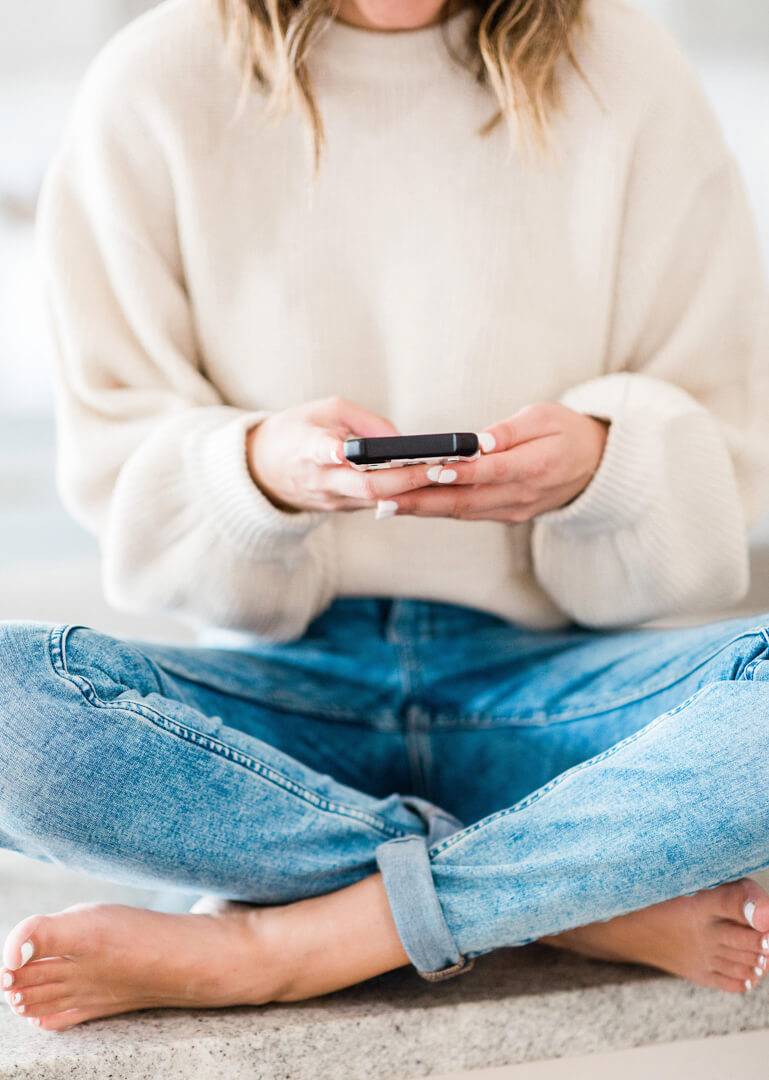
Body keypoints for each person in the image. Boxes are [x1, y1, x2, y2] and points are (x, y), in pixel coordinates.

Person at [2, 0, 769, 1033]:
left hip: (555, 692)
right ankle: (565, 897)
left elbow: (726, 470)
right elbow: (125, 480)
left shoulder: (622, 66)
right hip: (278, 707)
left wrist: (603, 464)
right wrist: (255, 473)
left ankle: (295, 940)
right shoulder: (154, 82)